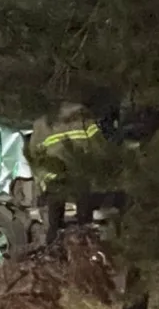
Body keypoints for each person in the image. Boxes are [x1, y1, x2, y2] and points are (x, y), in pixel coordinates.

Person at [27, 102, 105, 245]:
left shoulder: (41, 124)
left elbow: (34, 156)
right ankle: (84, 252)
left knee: (54, 224)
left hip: (55, 179)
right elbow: (98, 146)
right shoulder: (81, 117)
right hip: (80, 175)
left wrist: (41, 184)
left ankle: (53, 255)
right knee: (84, 222)